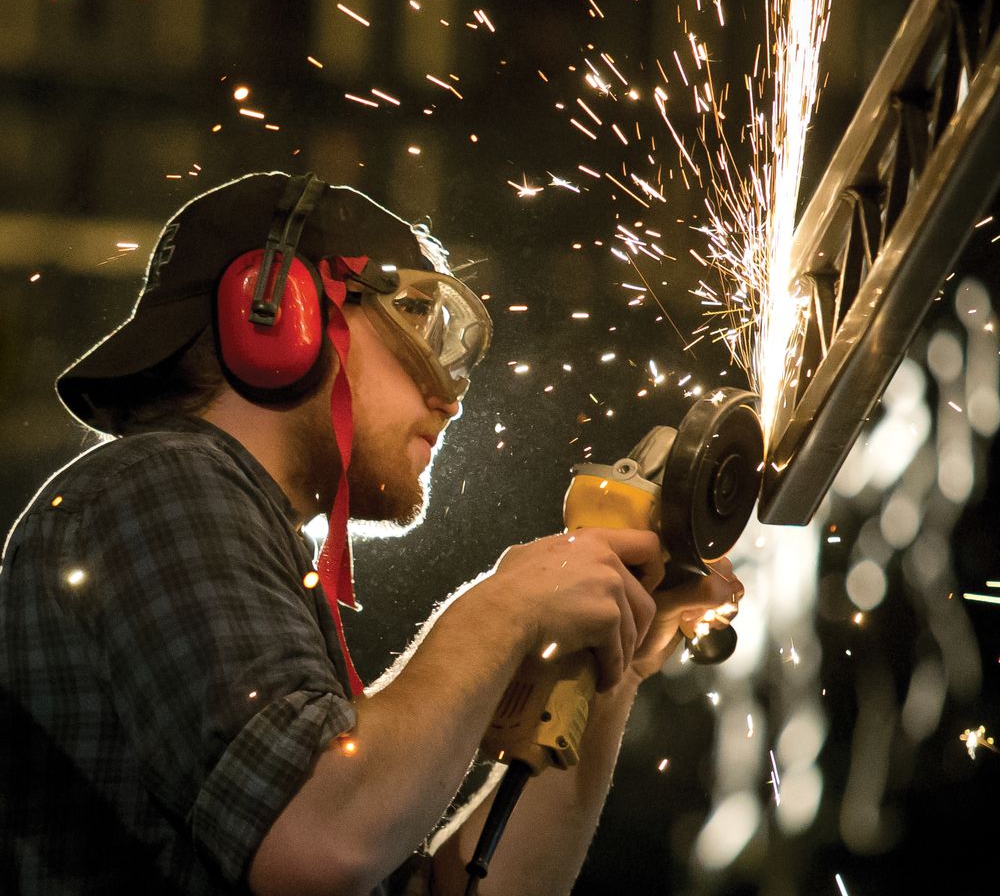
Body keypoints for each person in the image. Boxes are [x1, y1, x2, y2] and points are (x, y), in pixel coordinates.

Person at [0, 171, 744, 896]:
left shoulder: (240, 540)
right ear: (276, 313)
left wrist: (611, 668)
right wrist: (507, 606)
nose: (447, 399)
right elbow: (323, 845)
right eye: (421, 326)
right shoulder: (156, 485)